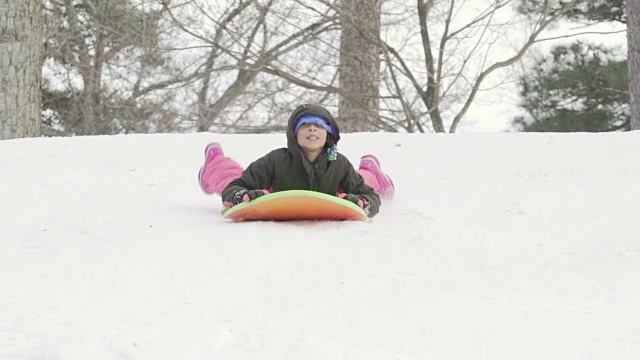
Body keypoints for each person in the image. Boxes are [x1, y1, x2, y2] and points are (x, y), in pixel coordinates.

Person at [197, 103, 394, 218]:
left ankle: (373, 171)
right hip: (277, 194)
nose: (312, 129)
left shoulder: (338, 163)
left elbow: (369, 197)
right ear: (293, 134)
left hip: (333, 193)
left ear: (329, 135)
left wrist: (362, 203)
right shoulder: (276, 159)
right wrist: (240, 196)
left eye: (319, 126)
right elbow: (236, 186)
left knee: (363, 181)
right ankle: (215, 164)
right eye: (305, 125)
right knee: (230, 179)